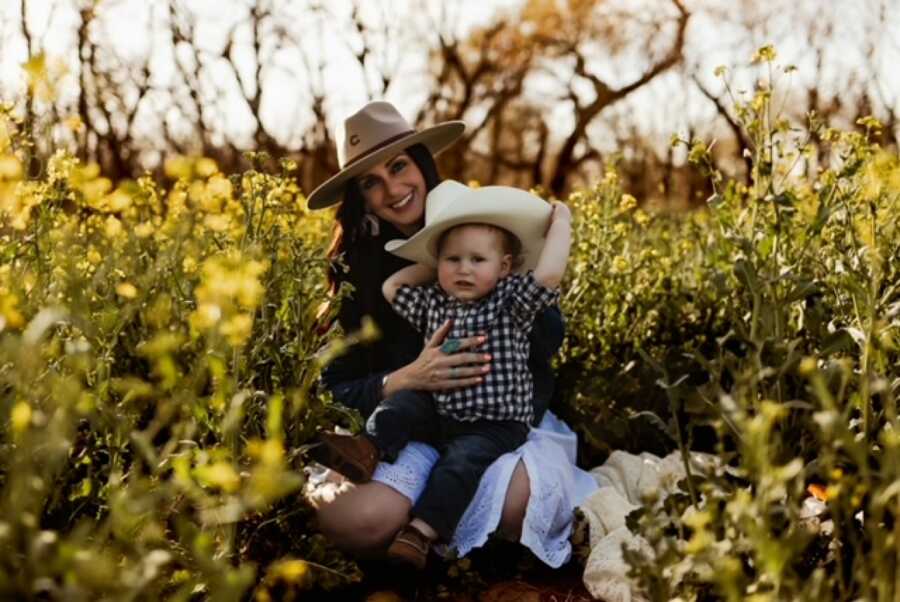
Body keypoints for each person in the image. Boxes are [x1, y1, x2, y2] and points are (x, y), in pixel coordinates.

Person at [306, 100, 597, 568]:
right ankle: (407, 508)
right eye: (371, 183)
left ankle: (430, 533)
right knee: (352, 520)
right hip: (409, 424)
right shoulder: (357, 271)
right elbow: (332, 386)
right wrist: (404, 378)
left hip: (493, 421)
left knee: (518, 503)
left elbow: (545, 350)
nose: (393, 189)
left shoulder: (488, 235)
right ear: (360, 198)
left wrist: (487, 268)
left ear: (421, 162)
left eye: (399, 166)